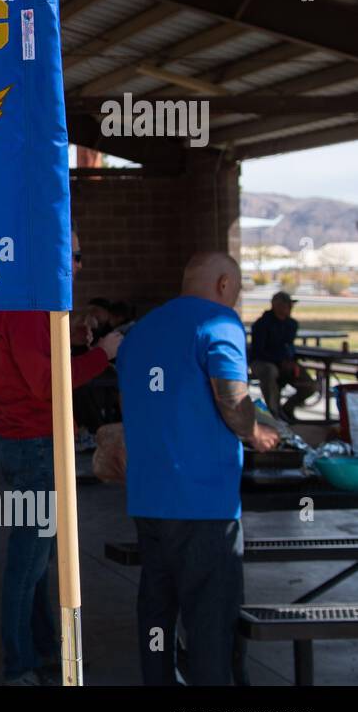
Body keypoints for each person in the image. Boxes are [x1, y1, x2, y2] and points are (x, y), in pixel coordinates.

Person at [0, 233, 123, 685]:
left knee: (36, 559)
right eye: (71, 254)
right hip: (36, 443)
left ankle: (41, 650)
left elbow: (29, 368)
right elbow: (46, 383)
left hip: (22, 441)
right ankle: (19, 665)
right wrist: (100, 355)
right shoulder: (30, 307)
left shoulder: (9, 302)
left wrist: (70, 342)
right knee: (27, 564)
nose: (77, 263)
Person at [117, 253, 279, 686]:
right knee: (210, 624)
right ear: (224, 283)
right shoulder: (219, 323)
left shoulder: (140, 332)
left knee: (157, 618)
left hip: (148, 500)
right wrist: (256, 432)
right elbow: (231, 398)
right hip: (204, 505)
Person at [249, 291, 318, 421]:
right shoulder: (262, 324)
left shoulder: (291, 324)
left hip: (285, 362)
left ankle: (287, 408)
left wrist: (291, 362)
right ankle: (274, 414)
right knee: (270, 372)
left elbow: (288, 346)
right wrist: (279, 361)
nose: (290, 308)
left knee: (310, 385)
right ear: (275, 305)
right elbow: (259, 350)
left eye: (290, 305)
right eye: (286, 305)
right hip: (263, 361)